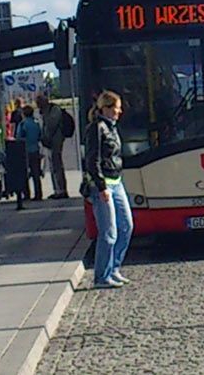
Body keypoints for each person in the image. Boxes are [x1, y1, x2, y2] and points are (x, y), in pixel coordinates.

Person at [83, 91, 133, 289]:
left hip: (117, 181)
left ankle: (114, 268)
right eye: (116, 108)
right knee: (109, 231)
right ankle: (102, 276)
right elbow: (92, 159)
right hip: (103, 185)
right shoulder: (97, 128)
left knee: (126, 226)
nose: (119, 112)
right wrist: (101, 185)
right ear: (105, 108)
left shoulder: (111, 127)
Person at [37, 94, 69, 199]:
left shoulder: (54, 110)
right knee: (52, 166)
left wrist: (46, 137)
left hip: (56, 140)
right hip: (50, 141)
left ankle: (61, 190)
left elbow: (51, 125)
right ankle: (56, 190)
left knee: (57, 165)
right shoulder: (47, 111)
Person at [15, 105, 43, 201]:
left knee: (24, 174)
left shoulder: (23, 124)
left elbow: (19, 137)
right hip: (35, 150)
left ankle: (27, 194)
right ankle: (38, 194)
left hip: (25, 151)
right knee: (36, 174)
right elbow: (40, 135)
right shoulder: (36, 123)